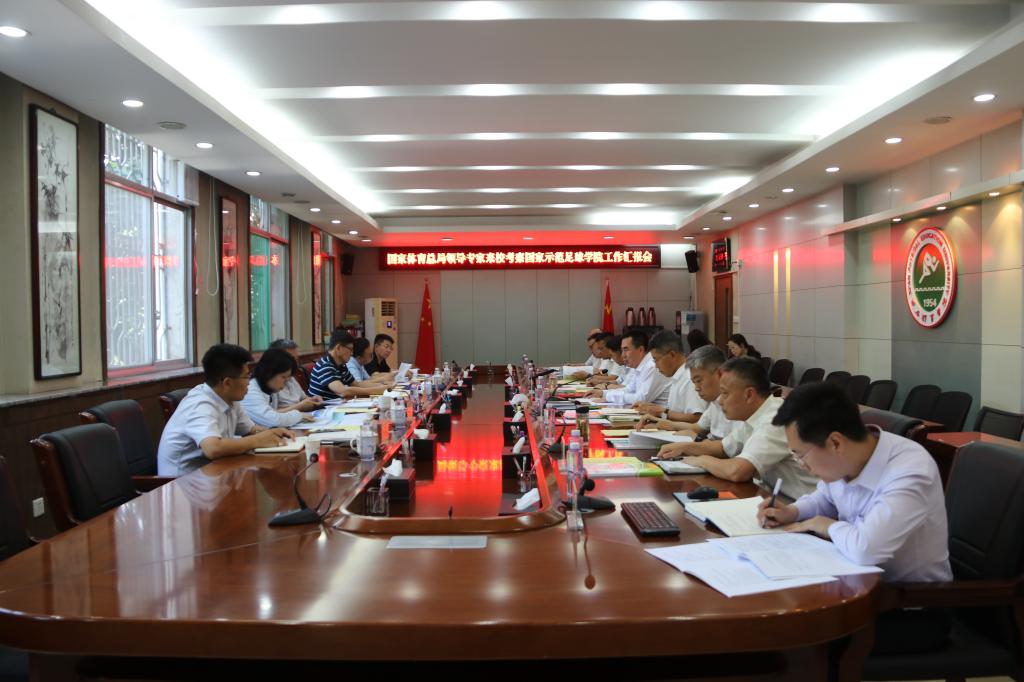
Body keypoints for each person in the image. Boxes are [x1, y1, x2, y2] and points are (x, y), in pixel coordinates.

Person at [758, 382, 952, 654]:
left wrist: (824, 525)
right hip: (857, 589)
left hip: (911, 607)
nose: (802, 465)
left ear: (835, 442)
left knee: (795, 641)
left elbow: (866, 549)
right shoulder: (849, 458)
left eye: (800, 455)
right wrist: (794, 512)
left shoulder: (909, 470)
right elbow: (825, 497)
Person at [657, 357, 817, 499]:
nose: (720, 401)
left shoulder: (775, 419)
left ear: (749, 395)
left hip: (800, 505)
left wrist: (702, 460)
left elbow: (738, 471)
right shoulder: (755, 414)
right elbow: (723, 448)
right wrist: (684, 447)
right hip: (773, 497)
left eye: (725, 393)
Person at [157, 344, 295, 476]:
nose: (249, 382)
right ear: (227, 382)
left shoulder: (230, 398)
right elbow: (213, 448)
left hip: (213, 474)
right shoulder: (200, 404)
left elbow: (250, 430)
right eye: (246, 376)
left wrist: (273, 433)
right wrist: (257, 440)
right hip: (182, 484)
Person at [644, 345, 736, 449]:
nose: (696, 388)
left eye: (699, 381)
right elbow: (697, 427)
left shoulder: (737, 404)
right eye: (694, 382)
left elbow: (729, 451)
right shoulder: (714, 402)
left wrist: (697, 440)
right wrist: (660, 423)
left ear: (720, 374)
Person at [635, 331, 707, 423]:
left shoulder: (689, 378)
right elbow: (675, 412)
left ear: (672, 355)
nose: (656, 366)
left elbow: (698, 419)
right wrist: (653, 408)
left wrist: (663, 412)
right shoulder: (677, 375)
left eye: (656, 360)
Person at [587, 330, 671, 407]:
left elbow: (641, 399)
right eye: (622, 350)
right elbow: (629, 389)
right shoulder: (638, 365)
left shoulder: (652, 366)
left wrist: (608, 396)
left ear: (641, 349)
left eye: (626, 350)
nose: (623, 355)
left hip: (658, 415)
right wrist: (603, 393)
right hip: (644, 412)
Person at [240, 348, 317, 427]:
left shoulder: (269, 388)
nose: (286, 382)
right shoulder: (251, 390)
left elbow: (274, 414)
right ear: (269, 372)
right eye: (283, 377)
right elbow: (273, 420)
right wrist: (299, 415)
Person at [309, 330, 390, 399]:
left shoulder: (341, 365)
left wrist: (383, 385)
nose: (352, 353)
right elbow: (342, 391)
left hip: (337, 406)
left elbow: (357, 384)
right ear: (338, 348)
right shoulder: (325, 365)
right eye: (350, 349)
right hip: (322, 410)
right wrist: (377, 390)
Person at [267, 338, 321, 411]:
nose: (295, 363)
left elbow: (303, 398)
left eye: (296, 359)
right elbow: (270, 414)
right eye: (291, 359)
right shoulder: (268, 382)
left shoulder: (291, 378)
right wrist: (299, 406)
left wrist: (313, 400)